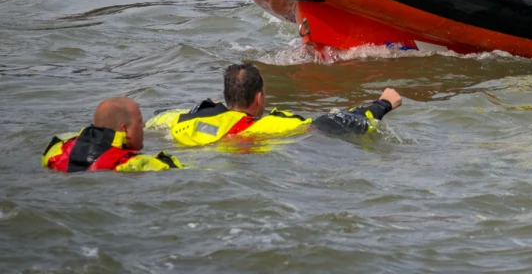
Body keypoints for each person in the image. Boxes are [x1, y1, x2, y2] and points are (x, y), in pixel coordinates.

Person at [147, 63, 402, 146]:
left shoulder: (178, 118)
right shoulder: (266, 126)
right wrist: (382, 104)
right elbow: (333, 124)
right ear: (258, 99)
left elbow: (155, 118)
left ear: (225, 96)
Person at [43, 96, 183, 173]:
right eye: (139, 121)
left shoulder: (55, 149)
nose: (144, 125)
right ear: (124, 129)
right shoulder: (136, 164)